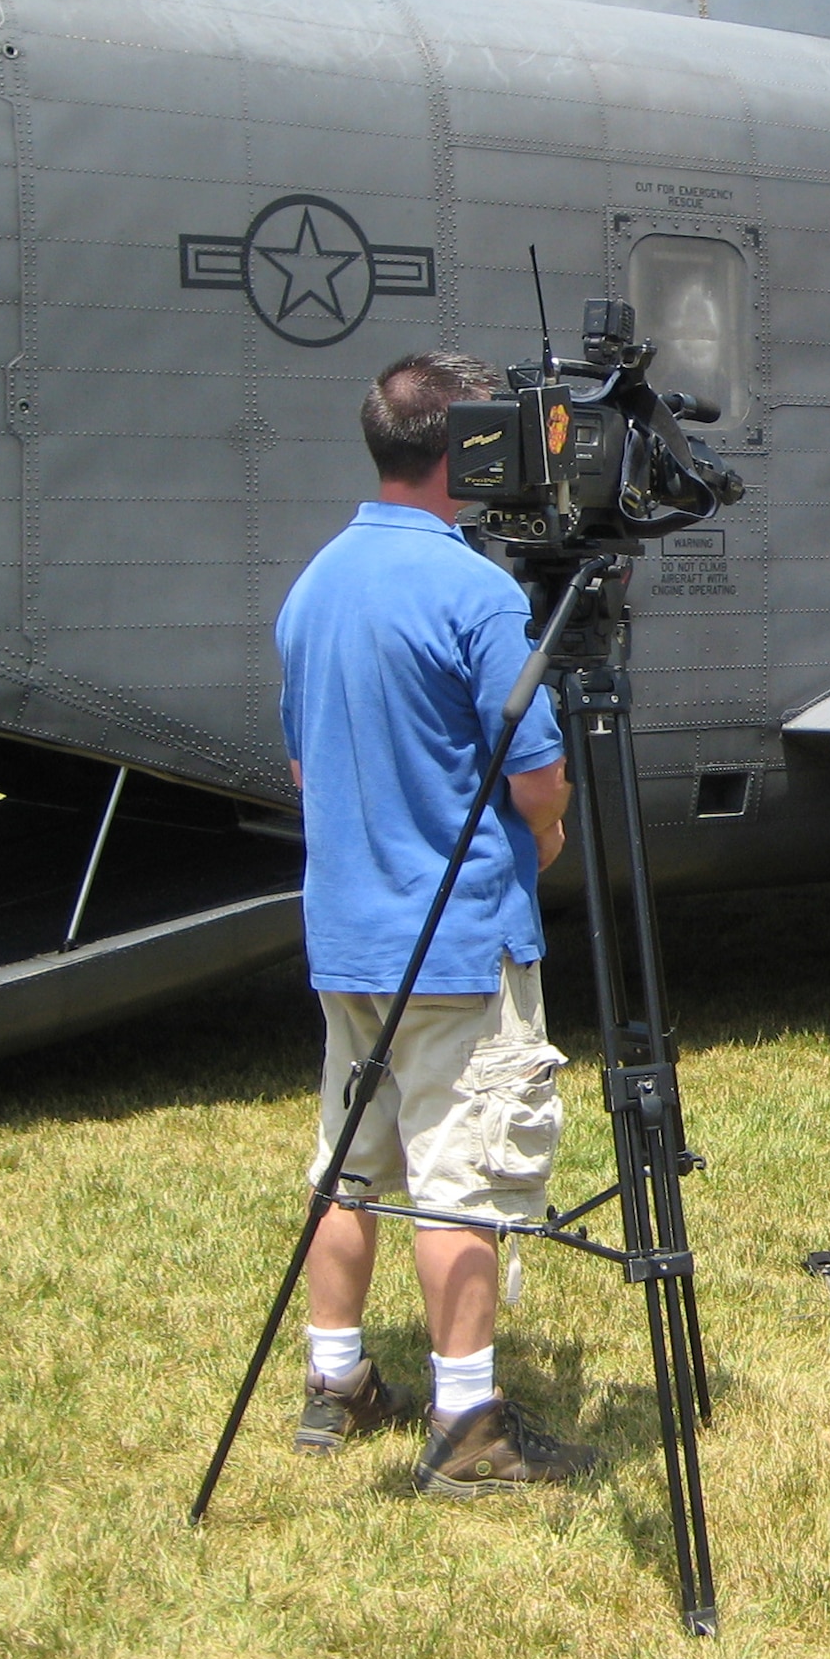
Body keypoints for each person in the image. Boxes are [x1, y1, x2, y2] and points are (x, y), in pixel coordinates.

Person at [275, 351, 596, 1492]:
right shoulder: (475, 591)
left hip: (346, 938)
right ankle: (469, 1427)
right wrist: (546, 843)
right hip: (456, 942)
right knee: (461, 1177)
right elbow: (538, 777)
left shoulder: (313, 582)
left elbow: (310, 769)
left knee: (349, 1165)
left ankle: (336, 1380)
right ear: (465, 450)